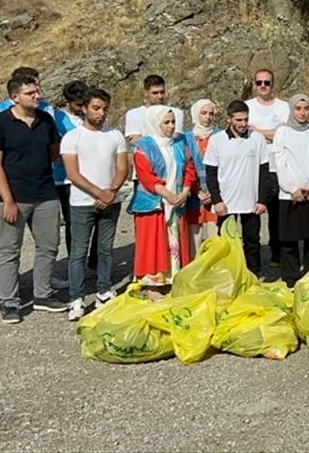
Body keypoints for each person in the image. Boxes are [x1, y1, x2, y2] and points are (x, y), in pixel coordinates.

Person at [0, 76, 65, 324]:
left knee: (49, 244)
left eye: (37, 91)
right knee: (10, 250)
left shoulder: (46, 120)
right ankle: (9, 302)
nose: (37, 96)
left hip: (44, 193)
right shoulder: (0, 123)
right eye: (30, 93)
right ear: (15, 97)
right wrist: (8, 200)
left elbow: (53, 152)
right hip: (12, 196)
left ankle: (42, 294)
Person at [60, 88, 128, 320]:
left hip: (111, 201)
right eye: (96, 108)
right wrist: (99, 192)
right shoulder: (72, 137)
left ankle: (103, 292)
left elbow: (122, 167)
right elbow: (73, 173)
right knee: (78, 252)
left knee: (105, 250)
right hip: (82, 202)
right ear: (84, 108)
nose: (101, 114)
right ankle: (76, 298)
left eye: (105, 109)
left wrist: (111, 191)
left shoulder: (115, 135)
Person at [129, 106, 197, 290]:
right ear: (154, 123)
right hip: (154, 204)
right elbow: (147, 177)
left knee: (175, 241)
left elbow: (189, 168)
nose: (171, 126)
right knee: (154, 243)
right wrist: (168, 195)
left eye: (173, 122)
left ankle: (174, 279)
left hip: (176, 201)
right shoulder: (143, 148)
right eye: (166, 122)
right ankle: (153, 285)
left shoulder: (179, 144)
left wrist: (183, 192)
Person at [204, 101, 270, 276]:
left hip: (251, 202)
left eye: (246, 119)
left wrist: (263, 200)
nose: (243, 123)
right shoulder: (216, 140)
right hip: (226, 203)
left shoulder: (257, 139)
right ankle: (228, 276)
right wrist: (217, 201)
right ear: (228, 119)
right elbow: (211, 174)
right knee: (226, 243)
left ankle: (254, 276)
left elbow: (265, 172)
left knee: (252, 242)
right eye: (239, 120)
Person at [271, 95, 309, 285]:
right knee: (289, 239)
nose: (302, 112)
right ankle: (290, 278)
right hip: (291, 195)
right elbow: (280, 162)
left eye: (306, 108)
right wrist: (292, 188)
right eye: (298, 108)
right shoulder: (283, 133)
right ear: (291, 110)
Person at [245, 69, 289, 268]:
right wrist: (271, 132)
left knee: (278, 212)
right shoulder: (247, 107)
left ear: (273, 84)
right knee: (252, 212)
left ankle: (277, 252)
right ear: (254, 84)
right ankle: (251, 259)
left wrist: (257, 131)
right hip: (253, 166)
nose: (263, 86)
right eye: (259, 82)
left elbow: (284, 135)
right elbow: (246, 134)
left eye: (267, 82)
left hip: (278, 165)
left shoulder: (284, 107)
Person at [52, 80, 87, 291]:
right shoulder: (58, 118)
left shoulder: (90, 115)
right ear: (68, 102)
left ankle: (87, 259)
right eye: (78, 104)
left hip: (89, 174)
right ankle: (76, 262)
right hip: (63, 177)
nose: (82, 108)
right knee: (73, 221)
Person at [183, 99, 220, 253]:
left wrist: (214, 191)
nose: (208, 117)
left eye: (211, 113)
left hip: (216, 192)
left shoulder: (220, 135)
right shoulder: (185, 138)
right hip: (193, 194)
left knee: (215, 236)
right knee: (194, 238)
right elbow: (184, 167)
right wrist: (196, 191)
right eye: (203, 113)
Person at [124, 74, 184, 144]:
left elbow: (175, 138)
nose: (160, 96)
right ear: (146, 93)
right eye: (155, 93)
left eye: (162, 92)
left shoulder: (176, 113)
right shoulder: (134, 114)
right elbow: (135, 140)